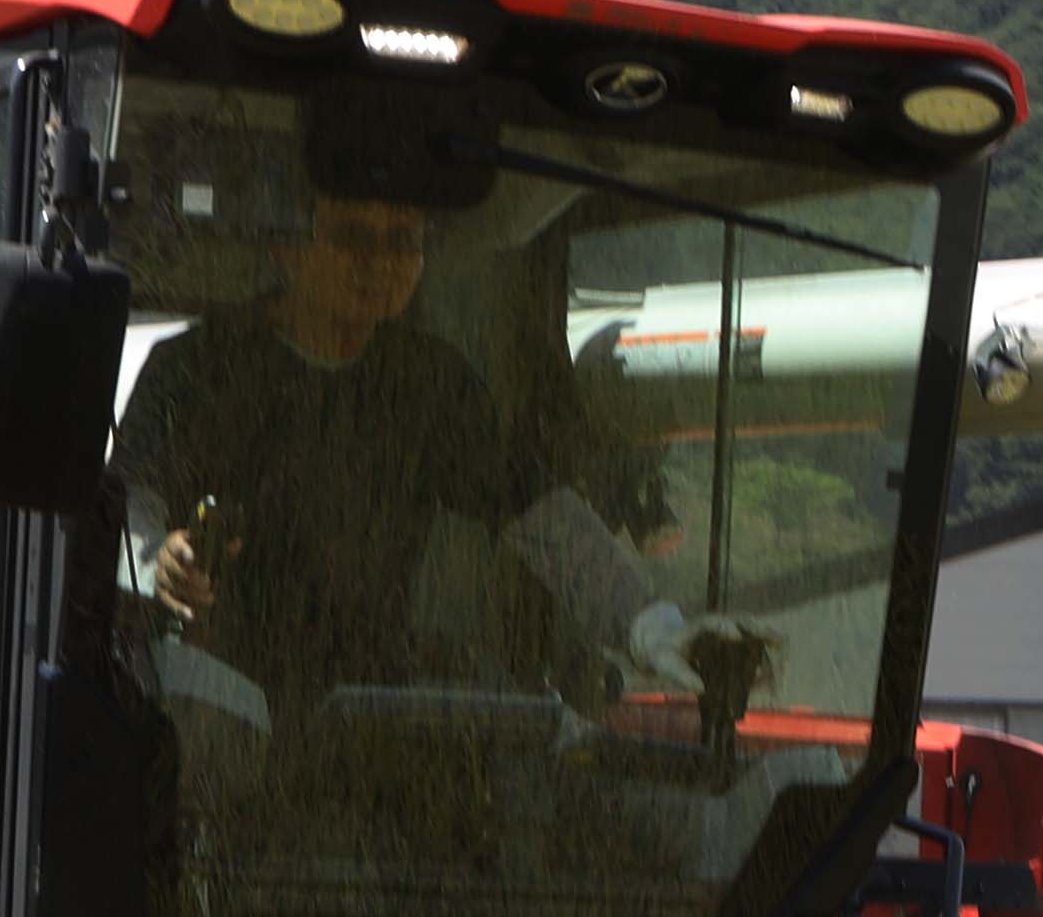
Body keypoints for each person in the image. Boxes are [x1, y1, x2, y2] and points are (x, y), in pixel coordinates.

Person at [117, 141, 719, 720]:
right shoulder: (196, 366)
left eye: (403, 242)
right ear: (287, 246)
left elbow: (538, 514)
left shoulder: (431, 383)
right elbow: (123, 507)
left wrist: (650, 627)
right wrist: (156, 565)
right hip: (205, 705)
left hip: (364, 707)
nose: (380, 264)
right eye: (354, 238)